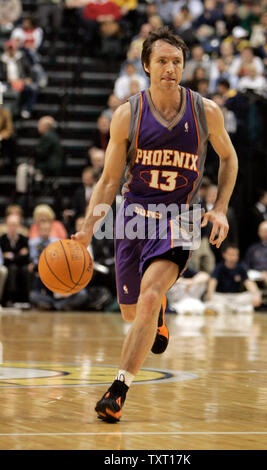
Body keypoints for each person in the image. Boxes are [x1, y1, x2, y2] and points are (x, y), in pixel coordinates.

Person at [72, 27, 238, 422]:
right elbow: (110, 181)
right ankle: (158, 313)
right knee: (133, 313)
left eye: (177, 61)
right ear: (146, 65)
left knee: (148, 296)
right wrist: (85, 230)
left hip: (180, 218)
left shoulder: (205, 111)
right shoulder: (128, 114)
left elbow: (229, 159)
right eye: (162, 61)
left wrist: (219, 208)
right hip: (133, 218)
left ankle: (118, 389)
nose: (170, 68)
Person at [204, 244, 262, 315]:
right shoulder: (219, 268)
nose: (233, 257)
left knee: (251, 296)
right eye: (231, 254)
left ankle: (234, 309)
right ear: (224, 255)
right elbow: (212, 282)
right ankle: (232, 309)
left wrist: (256, 294)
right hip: (221, 297)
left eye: (235, 255)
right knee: (210, 298)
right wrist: (210, 295)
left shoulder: (241, 268)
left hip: (236, 298)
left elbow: (248, 282)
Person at [0, 214, 30, 306]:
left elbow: (26, 257)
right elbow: (3, 258)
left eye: (15, 225)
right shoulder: (2, 239)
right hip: (9, 267)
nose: (12, 227)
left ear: (19, 226)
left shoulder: (24, 239)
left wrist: (11, 255)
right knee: (12, 269)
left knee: (25, 269)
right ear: (6, 225)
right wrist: (18, 255)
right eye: (10, 225)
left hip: (22, 266)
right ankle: (10, 298)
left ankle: (26, 299)